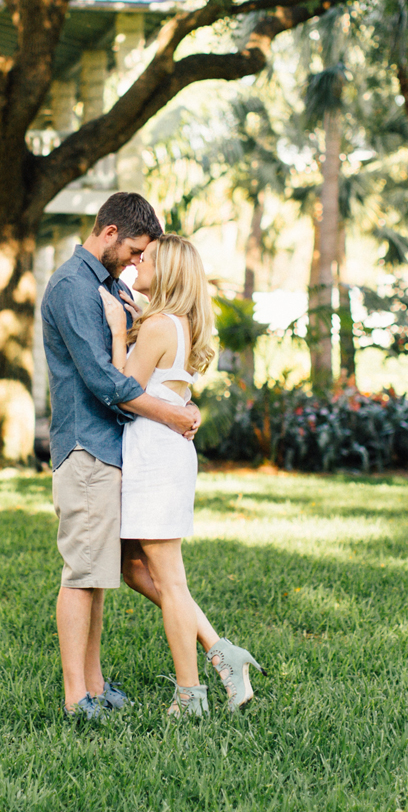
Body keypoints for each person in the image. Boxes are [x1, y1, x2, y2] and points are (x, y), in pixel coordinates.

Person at [40, 192, 200, 719]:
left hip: (110, 448)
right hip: (86, 445)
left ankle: (96, 684)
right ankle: (75, 698)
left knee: (99, 578)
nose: (137, 262)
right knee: (80, 576)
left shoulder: (105, 286)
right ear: (108, 233)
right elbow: (105, 381)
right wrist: (172, 414)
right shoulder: (72, 286)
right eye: (133, 250)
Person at [100, 234, 264, 717]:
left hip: (155, 456)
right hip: (160, 451)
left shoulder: (157, 327)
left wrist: (115, 331)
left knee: (170, 582)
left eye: (145, 259)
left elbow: (121, 389)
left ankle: (191, 694)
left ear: (166, 271)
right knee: (132, 566)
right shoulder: (173, 322)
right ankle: (222, 650)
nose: (136, 264)